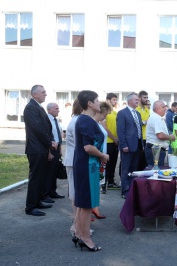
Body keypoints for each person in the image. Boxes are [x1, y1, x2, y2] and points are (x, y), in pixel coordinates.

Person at [73, 90, 109, 252]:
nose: (98, 103)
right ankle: (86, 238)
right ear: (89, 103)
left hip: (86, 164)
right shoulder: (86, 120)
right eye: (96, 100)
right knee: (86, 204)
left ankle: (80, 234)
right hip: (88, 165)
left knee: (82, 203)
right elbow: (88, 147)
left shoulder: (83, 119)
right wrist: (102, 155)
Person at [24, 85, 57, 216]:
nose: (45, 94)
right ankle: (30, 207)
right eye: (43, 92)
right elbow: (38, 129)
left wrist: (50, 142)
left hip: (41, 148)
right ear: (35, 94)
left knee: (40, 178)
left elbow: (45, 128)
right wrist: (49, 143)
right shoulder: (31, 107)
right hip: (36, 149)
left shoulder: (38, 106)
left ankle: (37, 201)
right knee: (35, 178)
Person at [64, 99, 88, 236]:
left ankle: (78, 224)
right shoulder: (76, 121)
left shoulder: (77, 120)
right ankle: (76, 225)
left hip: (74, 159)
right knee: (75, 193)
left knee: (76, 193)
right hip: (74, 160)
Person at [117, 92, 143, 199]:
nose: (138, 101)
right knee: (125, 169)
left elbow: (139, 129)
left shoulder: (138, 114)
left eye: (138, 100)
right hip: (127, 146)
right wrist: (123, 145)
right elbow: (120, 130)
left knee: (134, 169)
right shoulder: (122, 113)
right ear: (130, 101)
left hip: (137, 145)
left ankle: (132, 189)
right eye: (136, 100)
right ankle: (125, 190)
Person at [41, 102, 65, 203]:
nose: (58, 110)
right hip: (50, 148)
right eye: (56, 108)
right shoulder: (47, 120)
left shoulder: (56, 120)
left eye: (58, 108)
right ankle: (45, 194)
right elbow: (47, 136)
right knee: (49, 173)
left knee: (54, 171)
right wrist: (49, 152)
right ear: (49, 110)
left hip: (56, 148)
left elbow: (58, 135)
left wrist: (59, 150)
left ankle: (52, 192)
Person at [92, 101, 112, 218]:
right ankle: (90, 209)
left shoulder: (99, 124)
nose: (105, 116)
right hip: (97, 157)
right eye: (105, 114)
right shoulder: (93, 124)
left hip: (101, 156)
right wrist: (101, 155)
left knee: (98, 183)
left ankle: (95, 207)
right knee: (94, 183)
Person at [145, 100, 176, 167]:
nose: (165, 109)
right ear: (157, 109)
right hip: (155, 150)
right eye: (163, 107)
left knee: (155, 171)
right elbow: (160, 135)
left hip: (156, 150)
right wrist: (171, 137)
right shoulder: (156, 118)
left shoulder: (157, 117)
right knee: (155, 172)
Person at [100, 93, 120, 193]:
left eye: (116, 100)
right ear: (108, 100)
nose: (115, 102)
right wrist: (114, 138)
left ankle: (111, 182)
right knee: (106, 163)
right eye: (113, 99)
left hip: (115, 142)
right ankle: (103, 184)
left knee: (113, 163)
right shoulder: (105, 112)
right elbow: (105, 127)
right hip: (108, 142)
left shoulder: (115, 112)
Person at [136, 90, 150, 170]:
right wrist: (145, 121)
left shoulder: (147, 110)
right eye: (144, 97)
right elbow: (135, 123)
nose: (146, 99)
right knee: (137, 160)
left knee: (145, 161)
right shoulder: (136, 109)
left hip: (147, 138)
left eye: (147, 97)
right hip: (139, 138)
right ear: (139, 98)